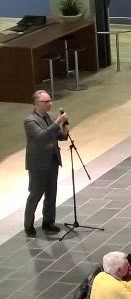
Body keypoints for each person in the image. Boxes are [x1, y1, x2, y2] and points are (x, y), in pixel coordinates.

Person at [23, 89, 69, 236]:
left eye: (50, 100)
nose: (50, 104)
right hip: (38, 164)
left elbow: (56, 135)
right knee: (36, 194)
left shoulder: (49, 116)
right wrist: (57, 122)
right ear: (37, 103)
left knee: (51, 193)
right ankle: (28, 224)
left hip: (52, 160)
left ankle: (48, 222)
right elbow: (42, 136)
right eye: (47, 101)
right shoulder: (30, 121)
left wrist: (64, 132)